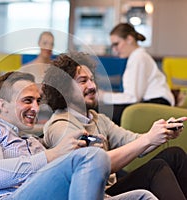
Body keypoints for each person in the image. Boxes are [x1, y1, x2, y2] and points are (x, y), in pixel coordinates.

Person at [0, 71, 157, 200]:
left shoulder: (32, 142)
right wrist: (54, 155)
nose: (36, 108)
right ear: (3, 105)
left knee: (142, 197)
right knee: (92, 156)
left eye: (38, 101)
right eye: (27, 101)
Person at [42, 51, 187, 200]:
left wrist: (162, 132)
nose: (92, 86)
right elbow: (92, 167)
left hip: (111, 186)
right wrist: (149, 139)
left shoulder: (98, 119)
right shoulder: (60, 126)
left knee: (174, 155)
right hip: (95, 194)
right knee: (155, 169)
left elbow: (134, 141)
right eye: (83, 81)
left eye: (92, 80)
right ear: (64, 89)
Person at [98, 23, 174, 125]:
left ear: (129, 39)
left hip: (158, 104)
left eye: (116, 44)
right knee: (104, 112)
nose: (114, 50)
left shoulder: (138, 57)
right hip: (154, 102)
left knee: (103, 112)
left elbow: (132, 97)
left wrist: (102, 96)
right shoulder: (137, 57)